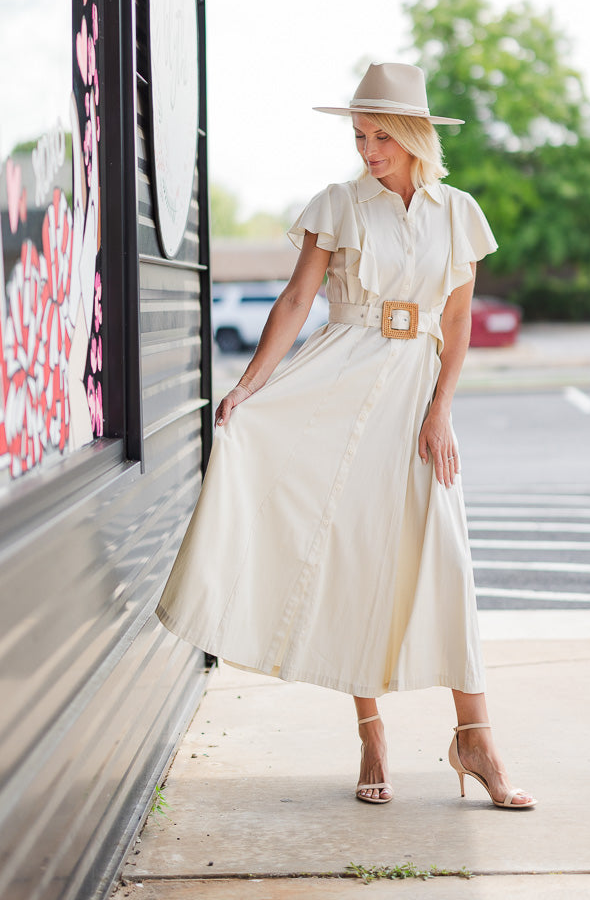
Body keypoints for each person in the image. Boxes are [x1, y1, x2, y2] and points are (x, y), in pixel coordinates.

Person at [157, 62, 535, 810]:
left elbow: (455, 322)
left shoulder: (457, 211)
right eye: (360, 136)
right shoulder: (338, 204)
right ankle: (370, 732)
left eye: (380, 137)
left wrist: (441, 409)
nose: (367, 150)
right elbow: (299, 298)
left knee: (447, 562)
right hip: (338, 382)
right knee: (351, 554)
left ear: (414, 136)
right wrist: (251, 385)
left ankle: (477, 737)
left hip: (417, 399)